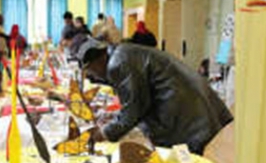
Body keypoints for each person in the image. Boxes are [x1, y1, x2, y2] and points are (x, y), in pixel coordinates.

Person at [77, 38, 233, 154]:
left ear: (95, 62)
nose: (93, 76)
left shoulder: (118, 63)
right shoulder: (123, 52)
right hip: (193, 102)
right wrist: (115, 118)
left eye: (90, 71)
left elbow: (134, 109)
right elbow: (139, 98)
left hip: (185, 114)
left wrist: (104, 132)